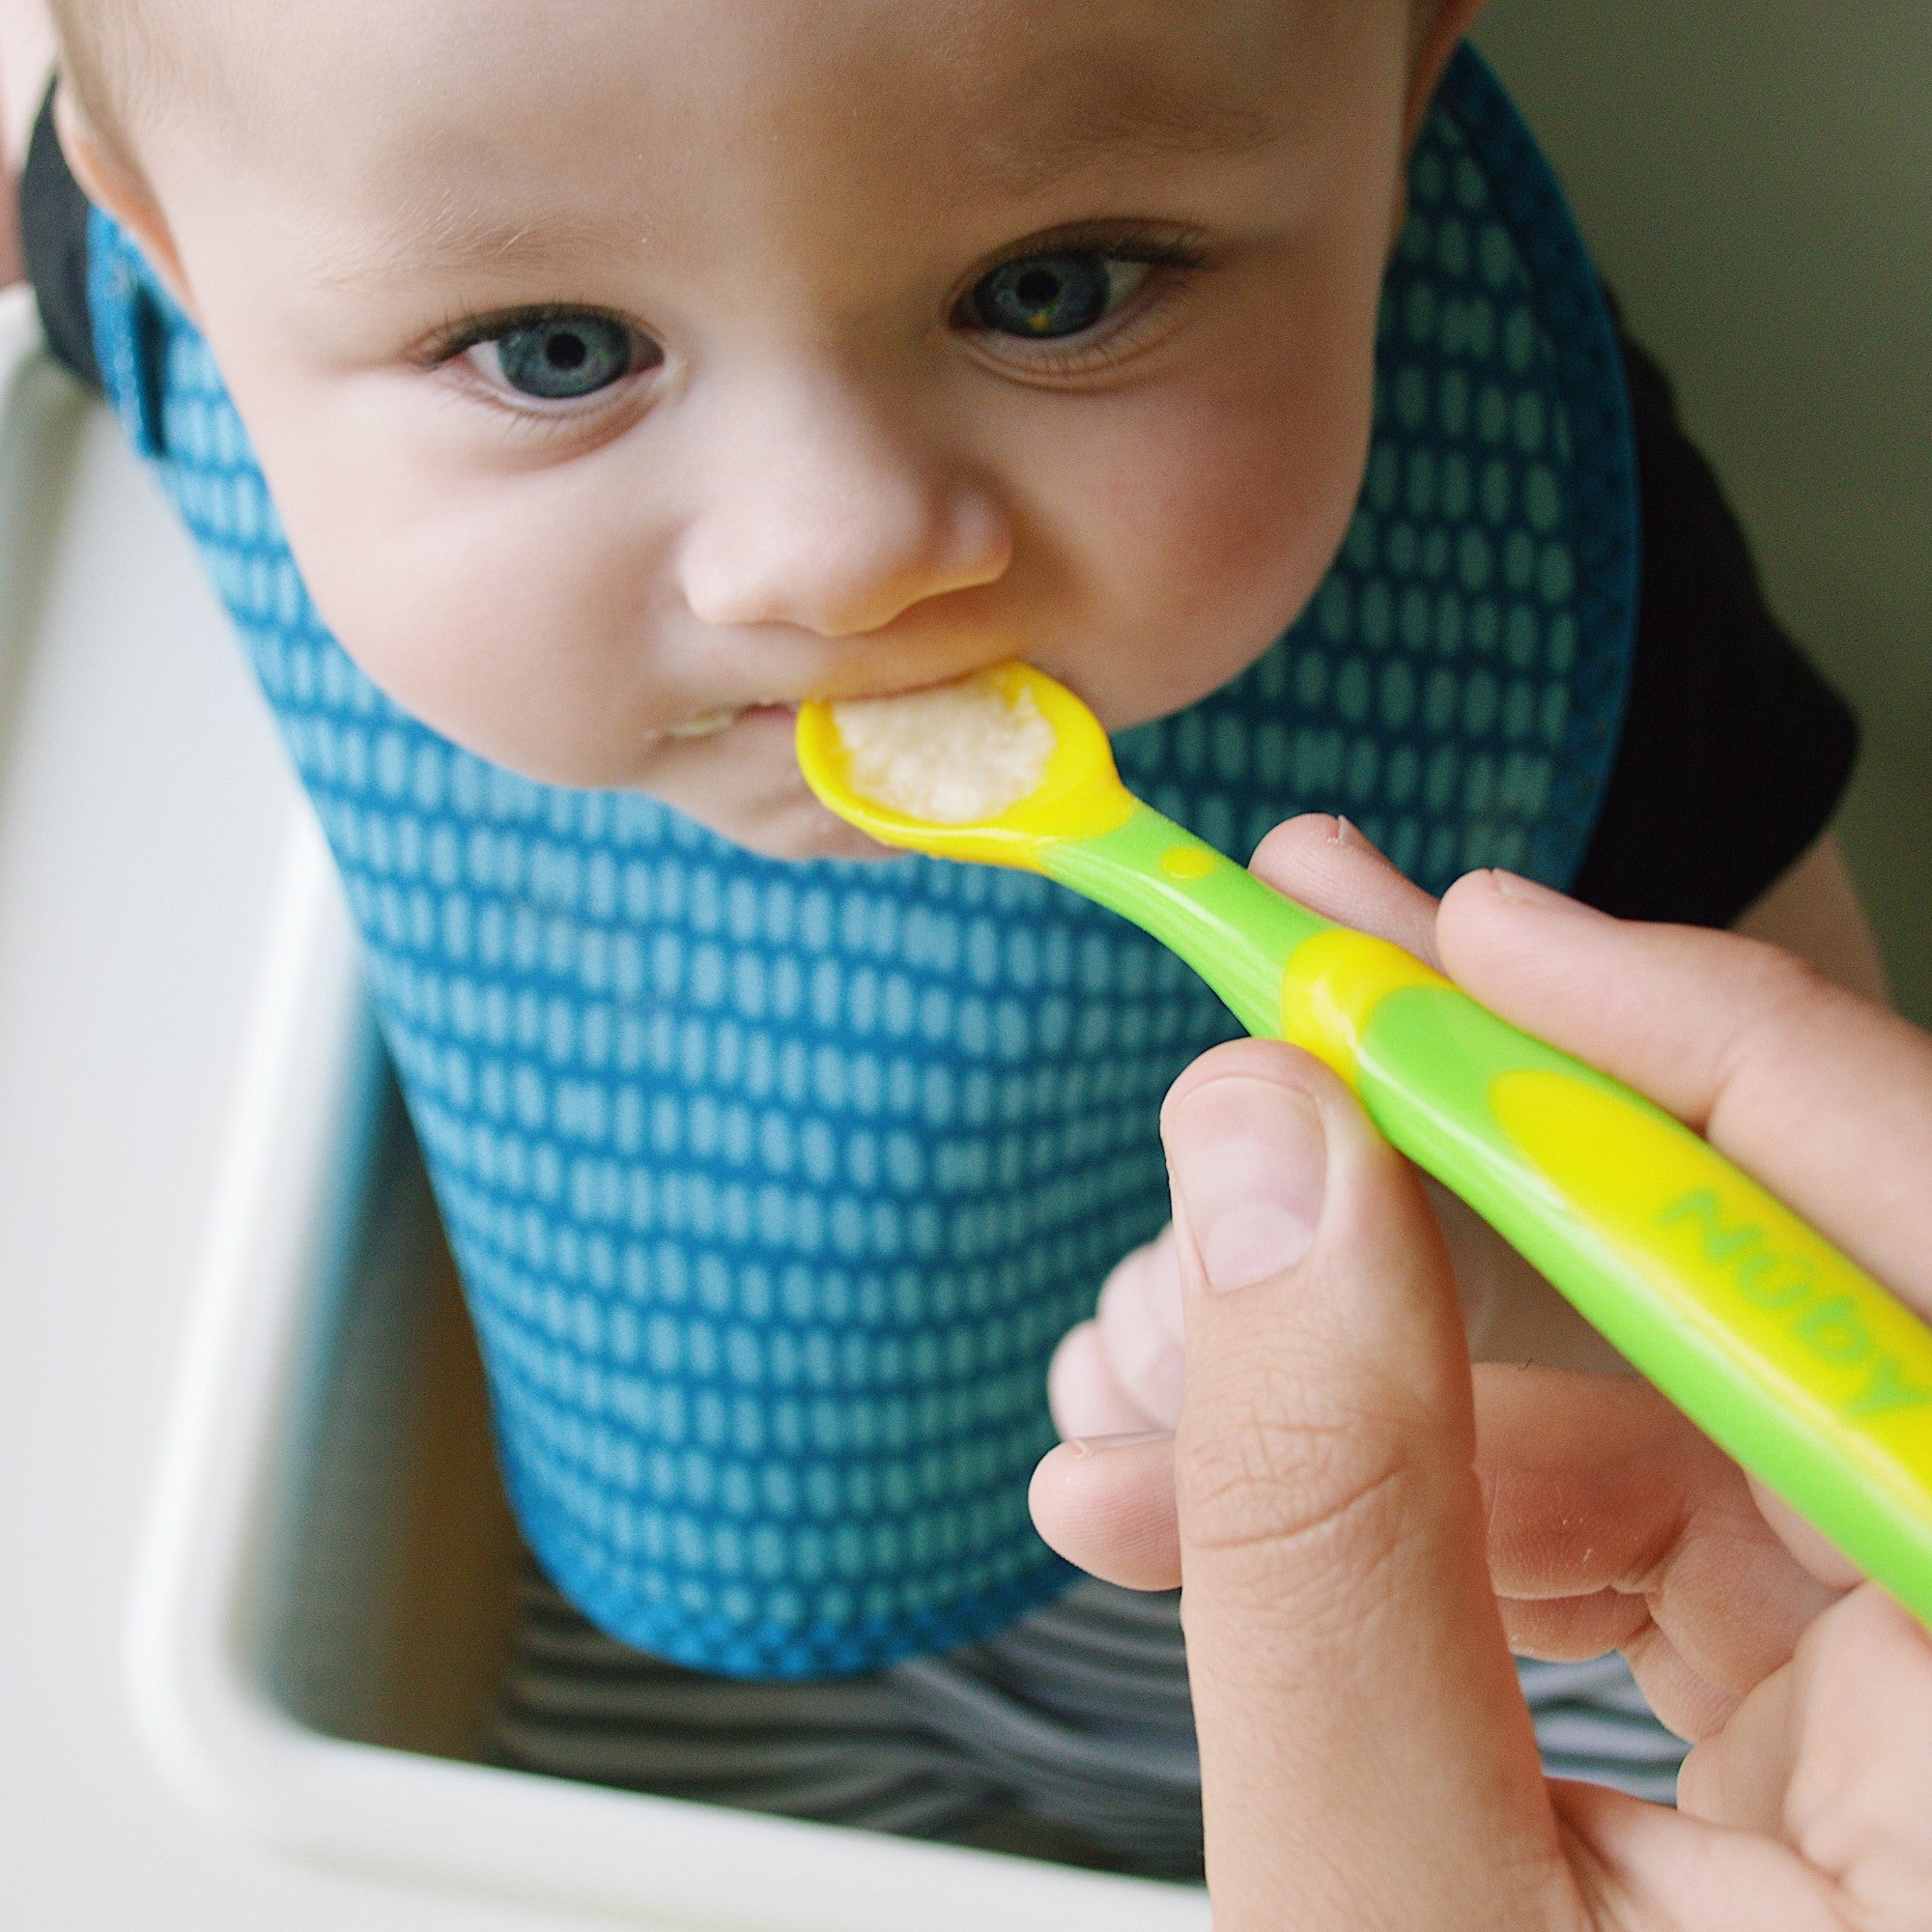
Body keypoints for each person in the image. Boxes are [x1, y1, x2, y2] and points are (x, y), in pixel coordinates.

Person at [0, 0, 1893, 1870]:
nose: (832, 552)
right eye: (552, 349)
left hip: (1534, 1625)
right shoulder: (193, 228)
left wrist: (1495, 1282)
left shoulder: (1545, 569)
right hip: (730, 1612)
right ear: (168, 246)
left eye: (1058, 289)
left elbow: (1800, 1203)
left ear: (1400, 94)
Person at [1034, 814, 1932, 1923]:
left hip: (1613, 1706)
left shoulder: (1691, 745)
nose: (842, 624)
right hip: (992, 1707)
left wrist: (1510, 1295)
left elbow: (1810, 1245)